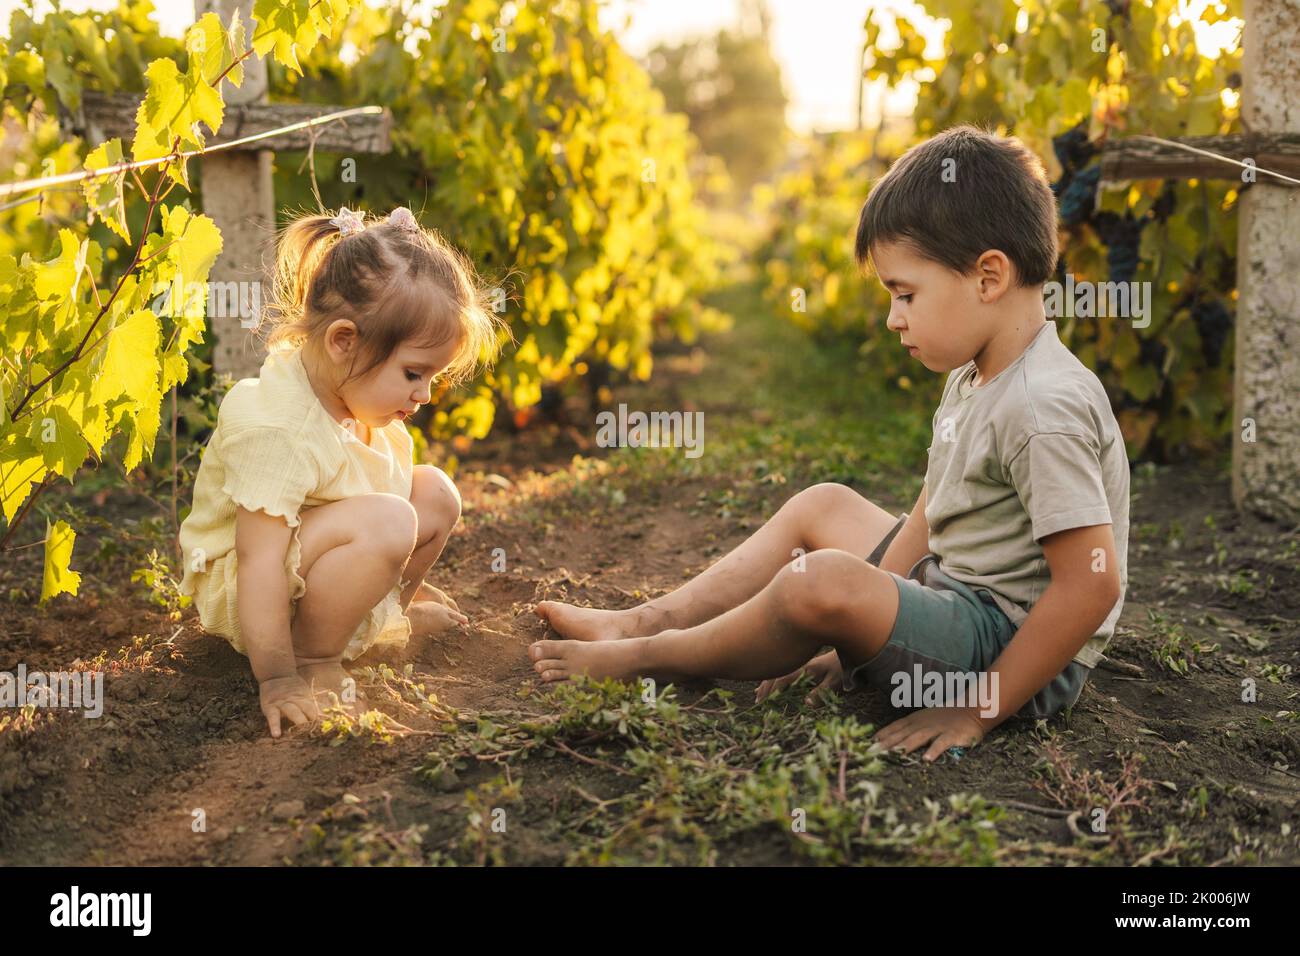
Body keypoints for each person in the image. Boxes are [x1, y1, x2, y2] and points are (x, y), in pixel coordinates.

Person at [530, 126, 1130, 762]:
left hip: (1003, 651)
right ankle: (641, 622)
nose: (894, 317)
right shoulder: (977, 373)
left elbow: (1090, 587)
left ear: (988, 276)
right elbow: (932, 511)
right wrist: (864, 625)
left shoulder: (1044, 406)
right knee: (822, 506)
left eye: (905, 295)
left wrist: (976, 711)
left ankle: (647, 659)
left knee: (819, 582)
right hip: (956, 598)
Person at [179, 206, 503, 738]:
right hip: (252, 591)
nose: (424, 395)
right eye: (414, 374)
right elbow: (257, 560)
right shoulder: (279, 430)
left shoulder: (352, 395)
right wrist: (278, 678)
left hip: (312, 558)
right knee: (392, 521)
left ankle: (374, 619)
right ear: (343, 341)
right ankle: (313, 655)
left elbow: (373, 493)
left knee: (436, 495)